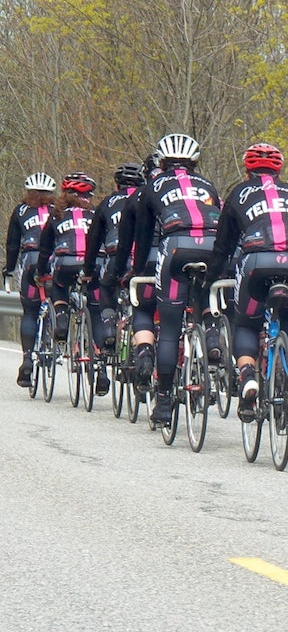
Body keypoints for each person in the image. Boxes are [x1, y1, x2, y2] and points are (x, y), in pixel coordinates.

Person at [208, 142, 288, 421]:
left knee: (247, 321)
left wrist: (211, 278)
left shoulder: (238, 193)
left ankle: (247, 376)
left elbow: (223, 246)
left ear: (247, 171)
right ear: (279, 171)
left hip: (258, 261)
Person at [128, 133, 222, 424]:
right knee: (206, 300)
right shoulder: (207, 184)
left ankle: (164, 402)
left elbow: (144, 235)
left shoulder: (153, 186)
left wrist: (138, 269)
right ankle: (212, 336)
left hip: (176, 247)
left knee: (169, 328)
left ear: (162, 162)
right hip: (213, 247)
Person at [103, 154, 162, 393]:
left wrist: (122, 272)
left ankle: (137, 347)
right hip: (188, 257)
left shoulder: (134, 198)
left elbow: (125, 242)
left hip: (143, 260)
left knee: (142, 308)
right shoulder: (198, 191)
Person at [84, 163, 145, 357]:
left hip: (116, 256)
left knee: (106, 286)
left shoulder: (107, 203)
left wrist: (88, 269)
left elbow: (93, 240)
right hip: (145, 257)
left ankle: (109, 325)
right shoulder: (147, 197)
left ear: (117, 185)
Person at [4, 173, 55, 386]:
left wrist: (8, 269)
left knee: (30, 312)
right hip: (55, 261)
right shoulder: (59, 211)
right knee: (59, 301)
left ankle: (27, 359)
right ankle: (58, 337)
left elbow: (12, 244)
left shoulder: (20, 211)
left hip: (30, 260)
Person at [35, 173, 97, 346]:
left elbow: (45, 248)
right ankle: (99, 345)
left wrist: (40, 272)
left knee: (59, 285)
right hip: (92, 264)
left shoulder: (57, 214)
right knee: (96, 298)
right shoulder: (94, 213)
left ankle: (61, 319)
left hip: (65, 263)